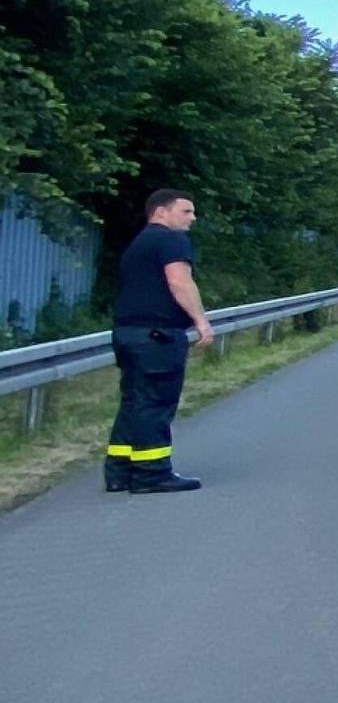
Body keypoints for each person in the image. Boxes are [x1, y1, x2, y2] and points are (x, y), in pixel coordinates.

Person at [105, 190, 213, 495]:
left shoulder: (139, 243)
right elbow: (179, 280)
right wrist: (201, 322)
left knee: (134, 401)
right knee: (155, 403)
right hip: (157, 336)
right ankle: (151, 473)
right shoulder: (170, 240)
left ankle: (119, 470)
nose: (193, 218)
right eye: (186, 212)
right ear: (161, 212)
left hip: (128, 333)